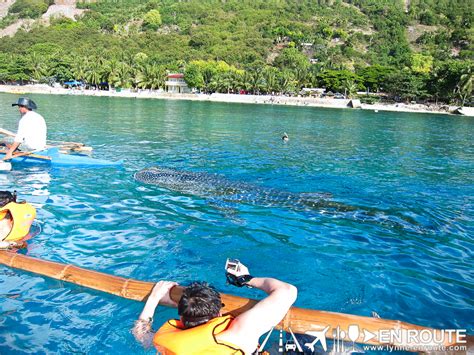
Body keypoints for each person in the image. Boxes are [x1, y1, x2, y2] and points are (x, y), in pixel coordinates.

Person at [133, 259, 297, 354]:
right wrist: (246, 279)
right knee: (301, 341)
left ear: (181, 316)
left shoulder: (166, 341)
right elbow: (287, 291)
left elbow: (142, 335)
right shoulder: (240, 331)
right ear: (219, 313)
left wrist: (153, 298)